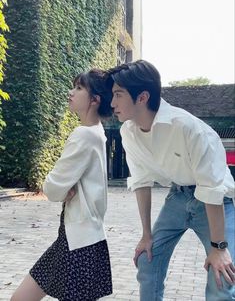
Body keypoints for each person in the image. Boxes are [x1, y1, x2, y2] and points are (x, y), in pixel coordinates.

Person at [105, 60, 235, 301]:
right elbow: (142, 181)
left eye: (118, 95)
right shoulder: (129, 132)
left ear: (142, 97)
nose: (112, 103)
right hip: (177, 197)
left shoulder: (188, 128)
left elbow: (212, 190)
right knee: (147, 259)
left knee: (222, 275)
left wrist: (219, 248)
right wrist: (146, 235)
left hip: (216, 203)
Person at [11, 69, 113, 301]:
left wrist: (59, 188)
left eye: (78, 88)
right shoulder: (98, 132)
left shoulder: (84, 135)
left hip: (79, 243)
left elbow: (52, 188)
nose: (71, 92)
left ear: (95, 100)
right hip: (79, 238)